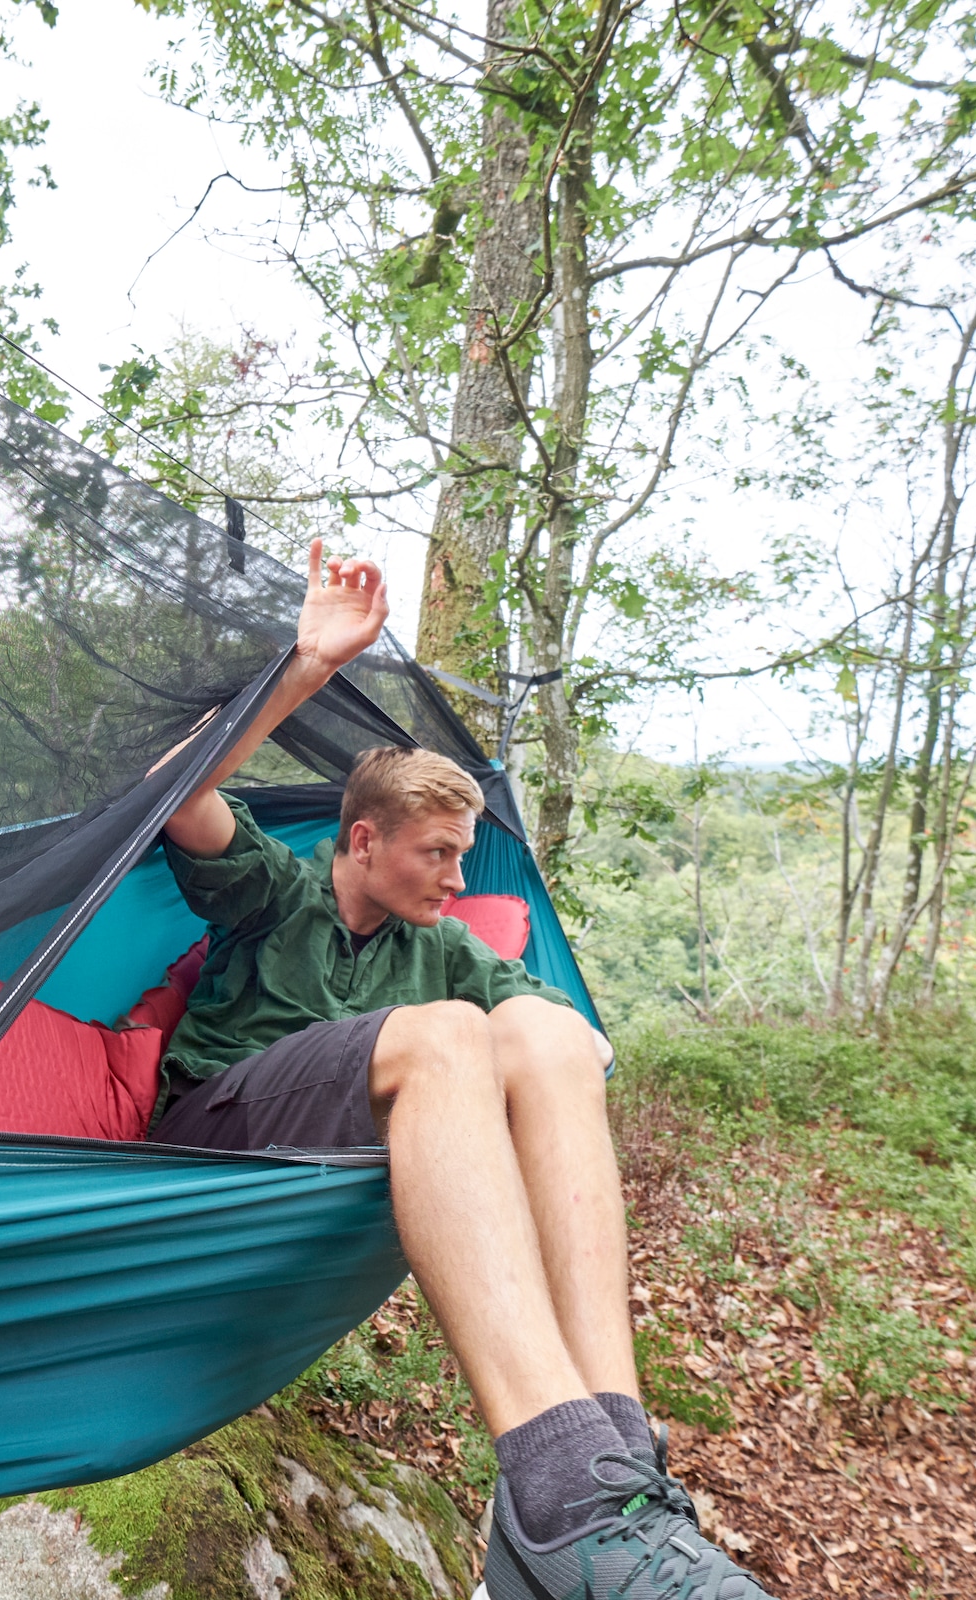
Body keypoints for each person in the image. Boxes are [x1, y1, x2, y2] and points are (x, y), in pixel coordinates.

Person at [147, 540, 772, 1600]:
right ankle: (560, 1496)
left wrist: (553, 1047)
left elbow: (556, 1029)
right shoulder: (275, 891)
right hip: (220, 1133)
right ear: (362, 840)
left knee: (549, 1033)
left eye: (464, 851)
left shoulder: (439, 949)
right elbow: (173, 790)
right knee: (443, 1034)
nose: (456, 872)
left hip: (347, 1138)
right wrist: (304, 666)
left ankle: (610, 1476)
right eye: (435, 850)